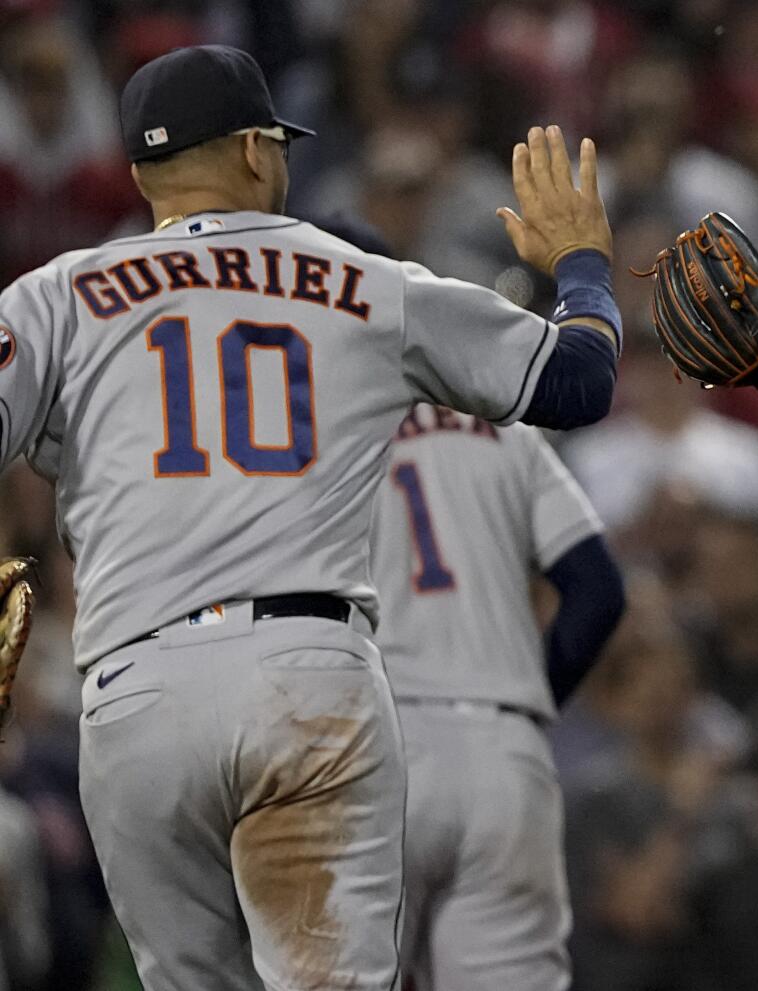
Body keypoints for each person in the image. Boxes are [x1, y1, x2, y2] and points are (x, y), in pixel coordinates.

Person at [0, 44, 620, 990]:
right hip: (306, 679)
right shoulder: (363, 280)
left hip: (132, 696)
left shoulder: (56, 294)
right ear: (256, 150)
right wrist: (582, 269)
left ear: (136, 172)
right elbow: (577, 382)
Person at [369, 401, 625, 990]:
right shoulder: (503, 425)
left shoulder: (323, 408)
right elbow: (598, 590)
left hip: (376, 745)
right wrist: (529, 704)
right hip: (505, 750)